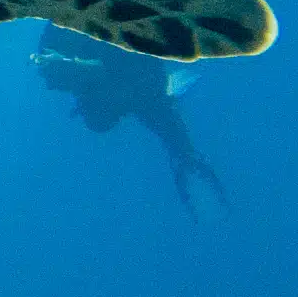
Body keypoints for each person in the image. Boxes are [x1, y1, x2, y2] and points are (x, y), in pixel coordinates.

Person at [29, 22, 225, 214]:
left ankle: (198, 176)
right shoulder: (57, 31)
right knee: (103, 121)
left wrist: (71, 66)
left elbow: (117, 65)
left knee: (180, 146)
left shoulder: (100, 28)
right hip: (131, 89)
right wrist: (61, 71)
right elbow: (54, 76)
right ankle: (193, 171)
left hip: (143, 86)